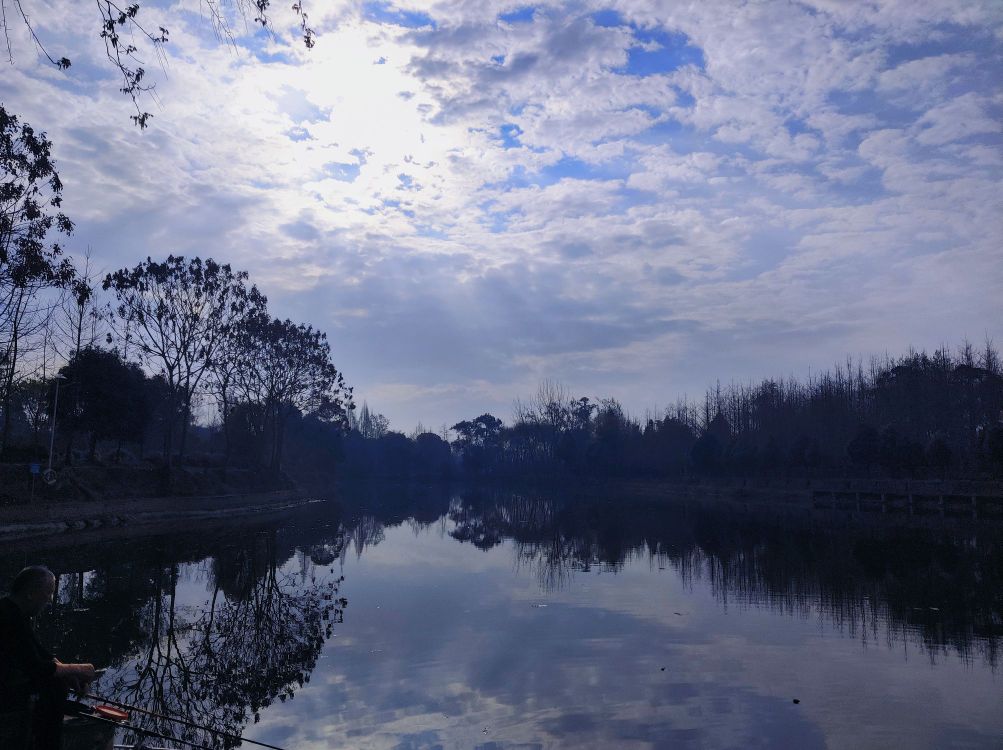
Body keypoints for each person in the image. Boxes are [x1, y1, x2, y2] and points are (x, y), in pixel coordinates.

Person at [0, 566, 97, 750]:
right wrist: (81, 669)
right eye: (48, 593)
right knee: (54, 686)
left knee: (56, 682)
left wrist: (68, 673)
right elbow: (37, 667)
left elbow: (41, 653)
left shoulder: (11, 610)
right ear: (30, 593)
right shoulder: (8, 618)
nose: (50, 600)